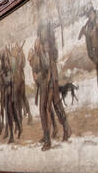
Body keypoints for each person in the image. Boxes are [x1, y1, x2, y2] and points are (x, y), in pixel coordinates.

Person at [30, 20, 70, 151]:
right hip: (43, 83)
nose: (42, 35)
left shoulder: (49, 47)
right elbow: (37, 67)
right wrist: (33, 56)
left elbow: (47, 65)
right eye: (40, 33)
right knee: (46, 108)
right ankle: (49, 135)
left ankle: (60, 132)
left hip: (51, 81)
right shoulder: (39, 47)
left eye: (43, 32)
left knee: (51, 106)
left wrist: (39, 53)